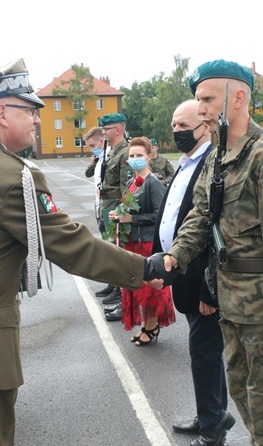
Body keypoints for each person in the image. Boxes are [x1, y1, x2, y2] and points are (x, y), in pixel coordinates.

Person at [0, 58, 172, 446]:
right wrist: (145, 266)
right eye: (30, 111)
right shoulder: (12, 174)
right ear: (2, 112)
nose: (37, 120)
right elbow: (70, 245)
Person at [164, 60, 263, 446]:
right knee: (247, 401)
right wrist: (174, 257)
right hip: (232, 304)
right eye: (199, 100)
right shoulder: (218, 154)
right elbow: (201, 214)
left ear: (239, 98)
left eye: (208, 98)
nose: (201, 109)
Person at [153, 99, 231, 446]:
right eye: (173, 126)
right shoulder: (186, 163)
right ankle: (214, 413)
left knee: (205, 354)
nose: (176, 132)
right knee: (204, 354)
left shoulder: (214, 167)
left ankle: (213, 428)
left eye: (182, 126)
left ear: (203, 126)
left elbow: (217, 231)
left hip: (203, 281)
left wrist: (209, 291)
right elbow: (172, 215)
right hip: (181, 273)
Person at [107, 136, 174, 340]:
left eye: (139, 155)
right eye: (132, 155)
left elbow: (158, 215)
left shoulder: (153, 183)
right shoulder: (131, 183)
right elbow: (127, 210)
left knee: (150, 289)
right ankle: (146, 325)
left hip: (147, 243)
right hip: (132, 243)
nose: (135, 158)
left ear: (149, 156)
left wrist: (131, 218)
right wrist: (118, 216)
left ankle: (151, 327)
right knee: (138, 288)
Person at [97, 113, 133, 309]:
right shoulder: (111, 151)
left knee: (118, 250)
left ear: (118, 129)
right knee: (110, 249)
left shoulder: (124, 153)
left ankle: (121, 293)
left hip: (114, 209)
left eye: (106, 129)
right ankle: (114, 285)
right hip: (107, 207)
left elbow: (125, 189)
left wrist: (120, 214)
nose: (103, 133)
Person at [83, 126, 106, 225]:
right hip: (99, 204)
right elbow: (87, 174)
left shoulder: (109, 158)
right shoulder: (98, 158)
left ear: (101, 141)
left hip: (108, 205)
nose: (91, 149)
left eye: (92, 145)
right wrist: (93, 163)